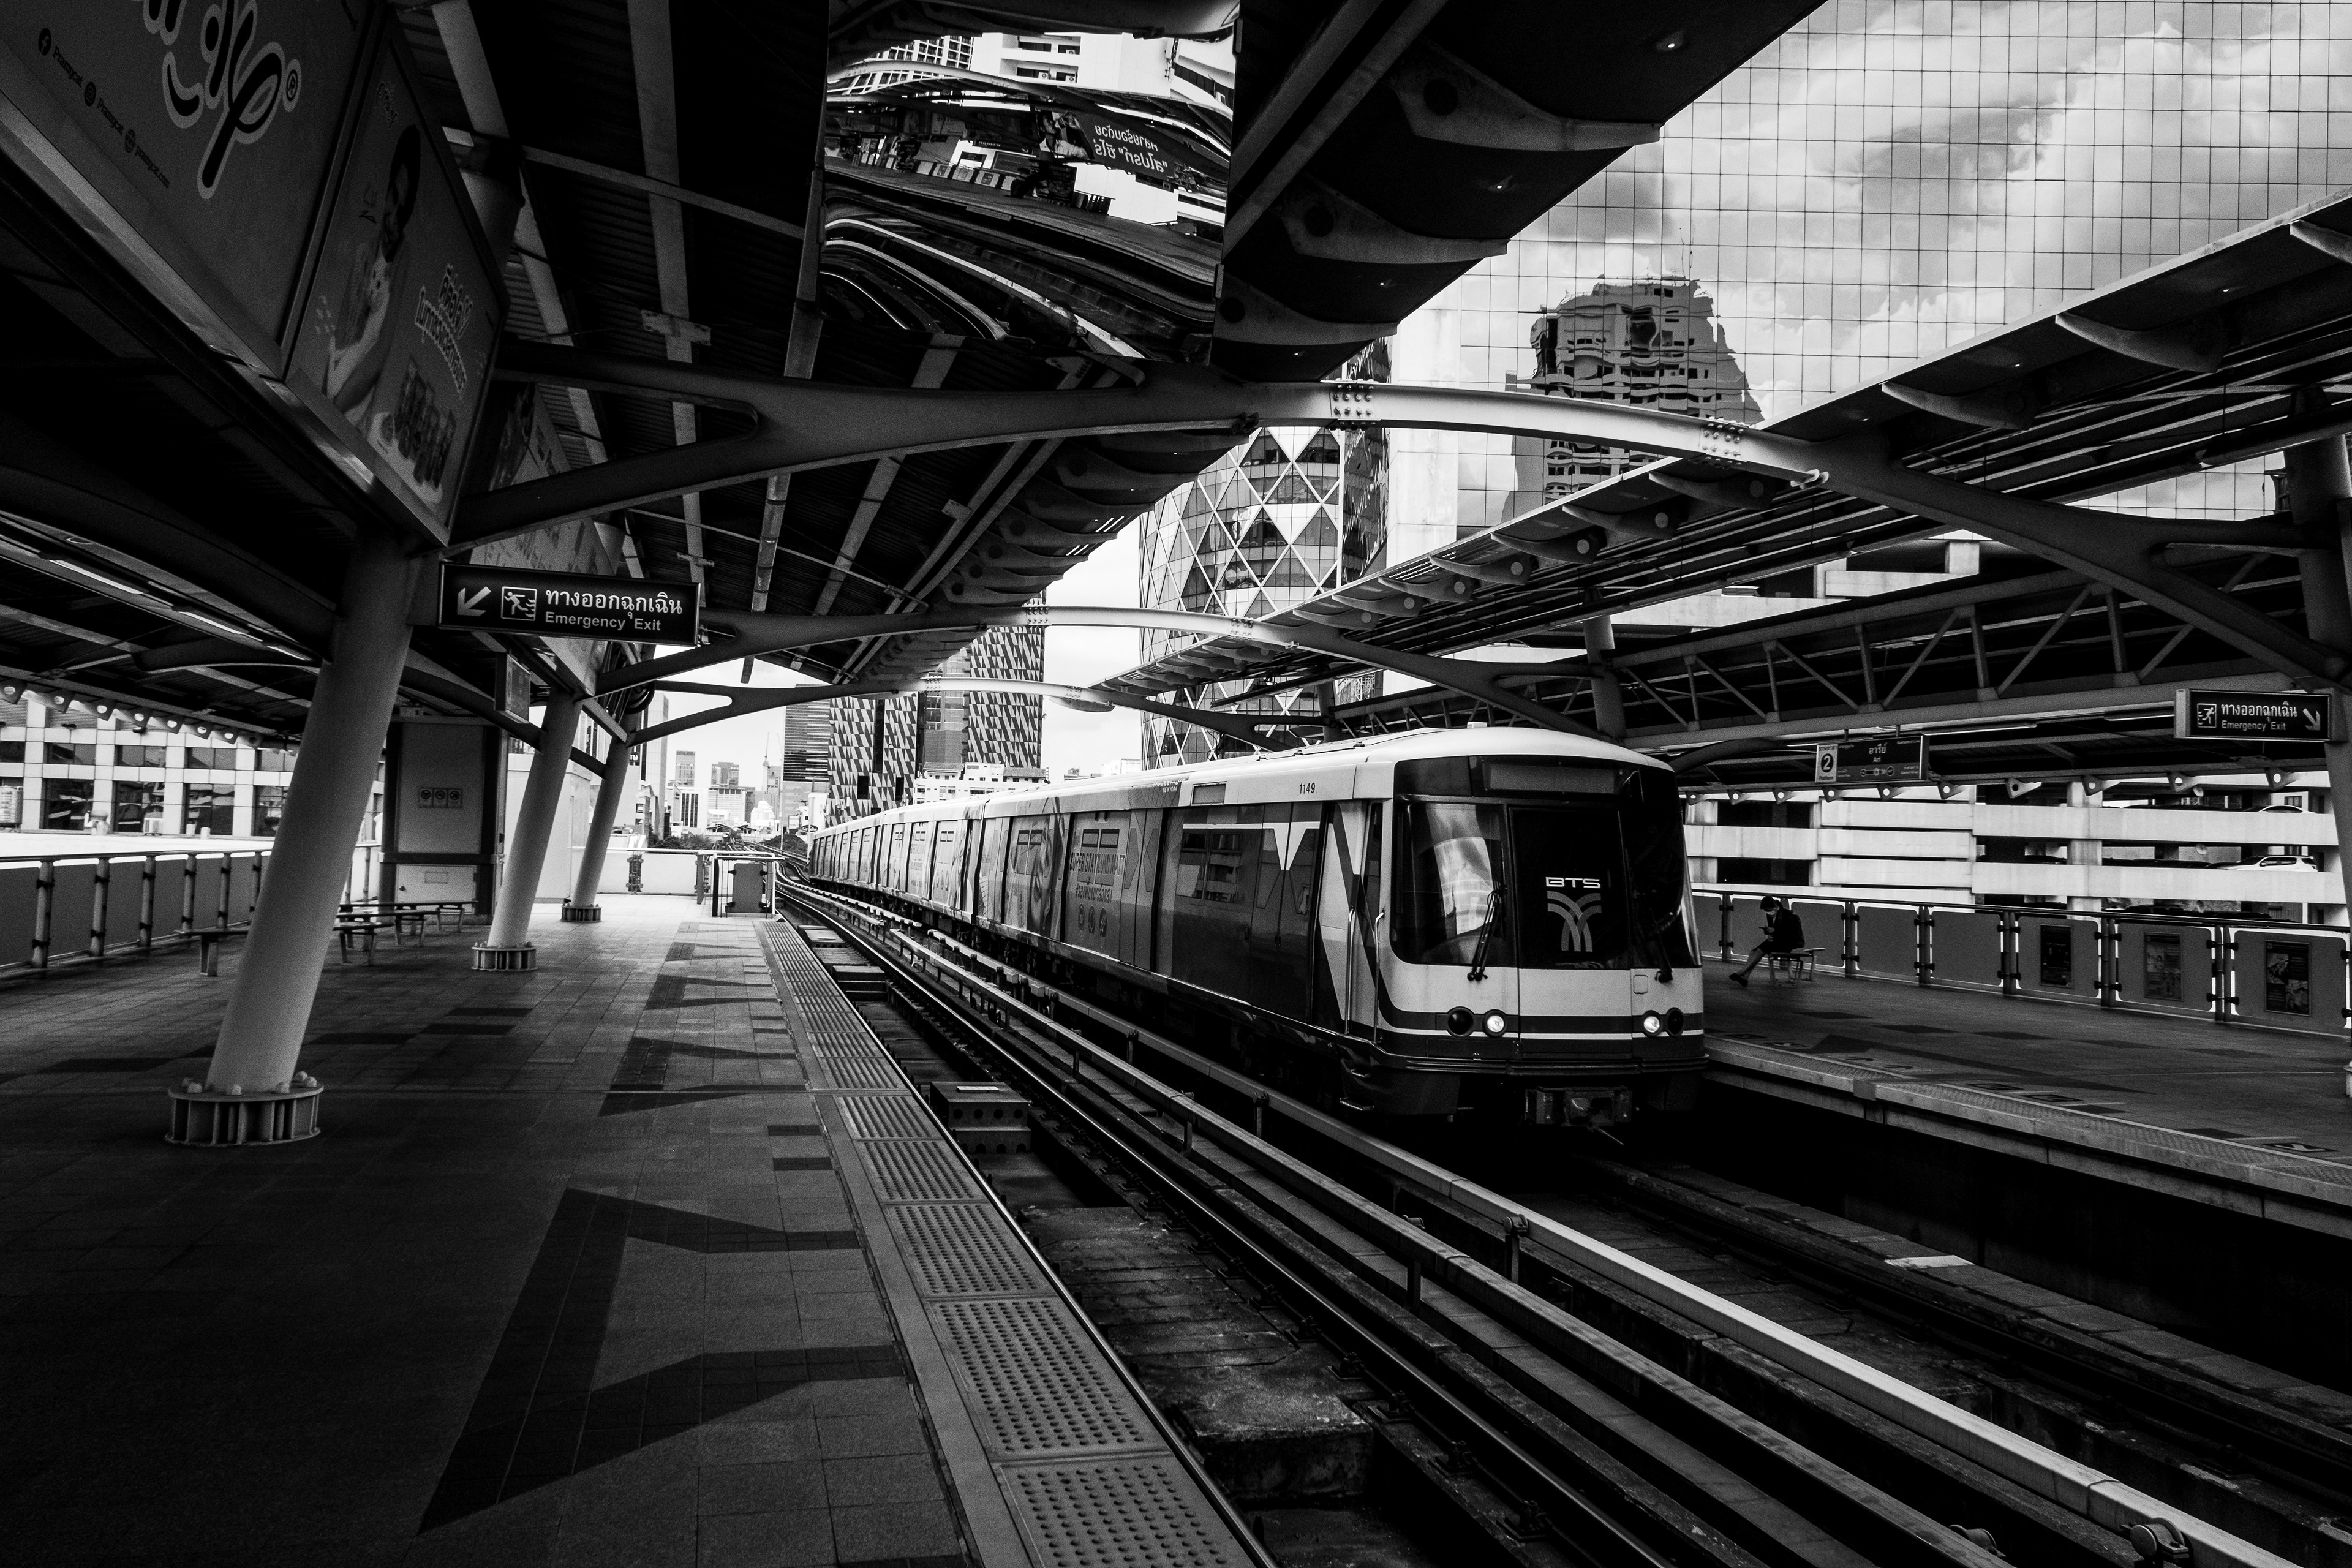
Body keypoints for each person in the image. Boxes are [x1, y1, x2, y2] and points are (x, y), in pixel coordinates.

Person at [1726, 895, 1804, 986]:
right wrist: (1769, 931)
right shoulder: (1771, 916)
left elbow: (1790, 931)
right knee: (1754, 951)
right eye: (1766, 911)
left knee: (1760, 950)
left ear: (1775, 907)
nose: (1768, 913)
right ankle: (1745, 977)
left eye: (1769, 910)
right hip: (1777, 942)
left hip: (1787, 943)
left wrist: (1775, 931)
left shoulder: (1786, 914)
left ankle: (1742, 972)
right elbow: (1775, 930)